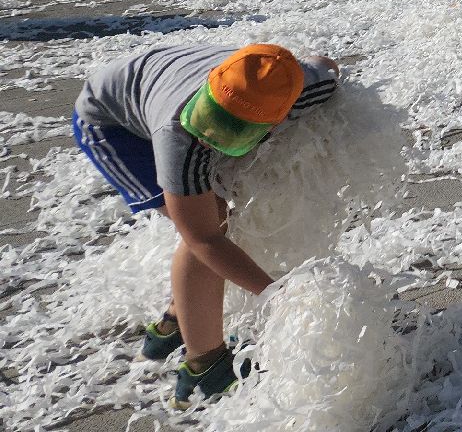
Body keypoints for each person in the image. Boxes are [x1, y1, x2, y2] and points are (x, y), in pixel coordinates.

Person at [71, 42, 339, 407]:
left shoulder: (306, 88)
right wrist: (279, 295)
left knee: (217, 214)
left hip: (161, 82)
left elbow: (326, 66)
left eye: (235, 130)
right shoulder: (180, 134)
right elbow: (203, 239)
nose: (212, 136)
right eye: (215, 117)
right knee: (210, 223)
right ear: (212, 87)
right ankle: (203, 369)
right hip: (111, 122)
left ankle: (175, 324)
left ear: (283, 114)